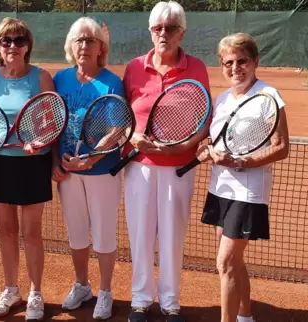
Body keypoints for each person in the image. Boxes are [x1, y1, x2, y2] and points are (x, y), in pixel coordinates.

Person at [121, 2, 212, 322]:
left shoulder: (197, 68)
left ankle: (171, 302)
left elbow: (205, 118)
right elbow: (122, 117)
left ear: (181, 33)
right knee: (141, 233)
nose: (164, 33)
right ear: (150, 31)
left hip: (179, 167)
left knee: (173, 234)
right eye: (158, 27)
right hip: (139, 166)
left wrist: (184, 146)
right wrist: (134, 139)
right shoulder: (133, 67)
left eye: (171, 28)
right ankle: (140, 300)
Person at [195, 32, 289, 322]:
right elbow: (214, 143)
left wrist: (240, 161)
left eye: (241, 61)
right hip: (220, 189)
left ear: (255, 62)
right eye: (228, 62)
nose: (235, 68)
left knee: (224, 262)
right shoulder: (222, 99)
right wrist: (205, 151)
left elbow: (282, 147)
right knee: (234, 261)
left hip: (247, 192)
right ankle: (245, 315)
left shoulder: (268, 97)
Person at [0, 17, 55, 321]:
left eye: (19, 40)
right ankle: (11, 290)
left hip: (33, 163)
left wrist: (38, 141)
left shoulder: (41, 78)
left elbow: (53, 124)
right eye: (6, 41)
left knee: (31, 233)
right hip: (0, 163)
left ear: (28, 46)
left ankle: (36, 293)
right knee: (7, 232)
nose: (12, 46)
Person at [52, 16, 124, 320]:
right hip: (68, 172)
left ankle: (105, 291)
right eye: (79, 40)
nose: (84, 45)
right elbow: (52, 123)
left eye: (90, 40)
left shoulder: (111, 82)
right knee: (77, 234)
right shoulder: (59, 79)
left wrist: (92, 158)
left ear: (100, 48)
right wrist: (56, 161)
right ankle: (82, 285)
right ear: (71, 46)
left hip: (101, 170)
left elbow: (118, 127)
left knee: (104, 234)